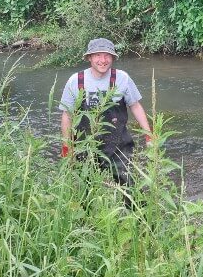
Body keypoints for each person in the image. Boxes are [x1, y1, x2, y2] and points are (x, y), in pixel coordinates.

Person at [59, 38, 151, 208]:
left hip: (118, 144)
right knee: (84, 189)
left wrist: (149, 135)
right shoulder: (76, 80)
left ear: (113, 58)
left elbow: (135, 106)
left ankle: (140, 222)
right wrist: (67, 146)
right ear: (89, 58)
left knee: (130, 185)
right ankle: (87, 224)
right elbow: (67, 115)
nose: (103, 60)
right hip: (85, 145)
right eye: (98, 55)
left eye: (107, 55)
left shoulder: (122, 78)